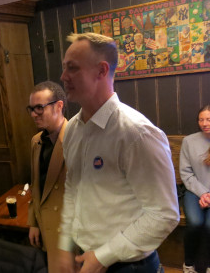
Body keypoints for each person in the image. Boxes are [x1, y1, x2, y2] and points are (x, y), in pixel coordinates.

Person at [58, 32, 180, 273]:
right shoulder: (72, 128)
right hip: (87, 258)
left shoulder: (137, 134)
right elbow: (73, 187)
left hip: (130, 267)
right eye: (64, 68)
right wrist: (64, 245)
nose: (63, 77)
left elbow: (164, 215)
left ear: (102, 71)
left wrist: (103, 256)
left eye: (72, 68)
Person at [27, 81, 68, 273]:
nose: (34, 114)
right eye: (31, 108)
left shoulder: (76, 139)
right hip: (46, 229)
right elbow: (36, 186)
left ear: (59, 106)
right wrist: (34, 222)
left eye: (39, 108)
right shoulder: (36, 141)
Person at [180, 105, 210, 273]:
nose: (204, 123)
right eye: (201, 119)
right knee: (196, 223)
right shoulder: (189, 141)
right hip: (194, 192)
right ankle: (188, 264)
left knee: (209, 225)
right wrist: (204, 193)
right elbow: (186, 173)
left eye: (208, 119)